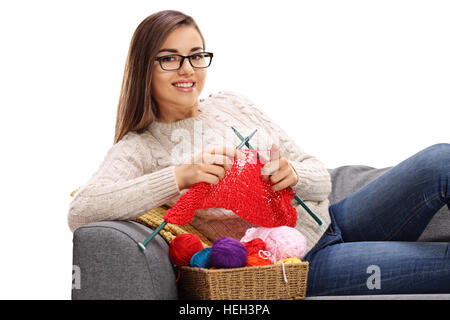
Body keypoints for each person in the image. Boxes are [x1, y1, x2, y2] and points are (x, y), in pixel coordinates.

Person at [68, 10, 450, 296]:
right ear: (144, 67)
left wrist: (294, 174)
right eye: (169, 58)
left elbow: (315, 171)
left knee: (440, 159)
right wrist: (179, 177)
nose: (187, 69)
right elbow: (81, 210)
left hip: (335, 218)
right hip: (301, 265)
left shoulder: (233, 104)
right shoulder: (140, 147)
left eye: (196, 55)